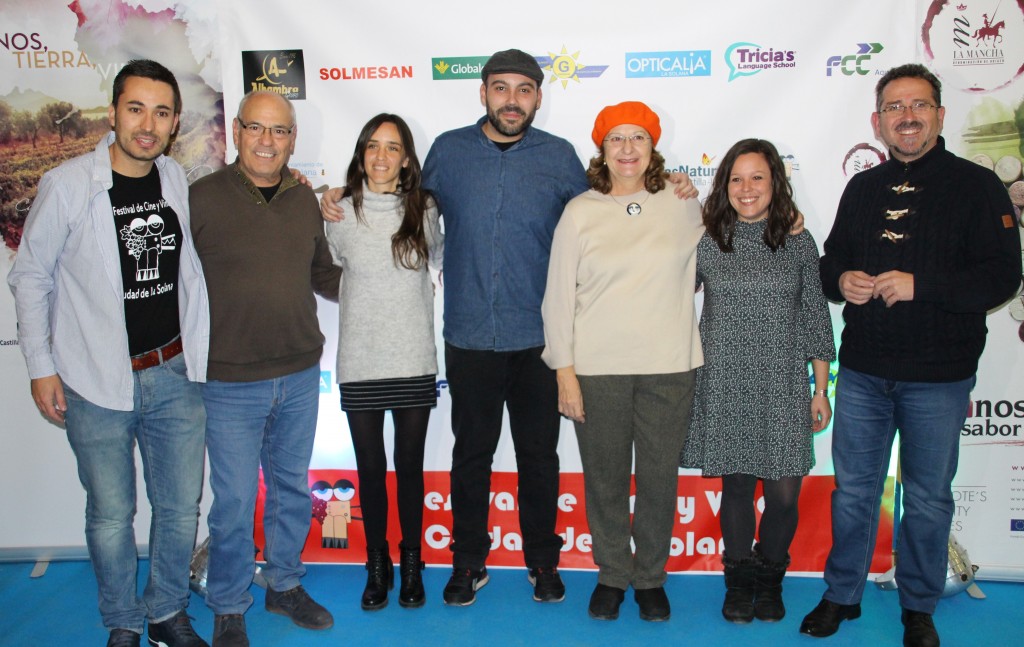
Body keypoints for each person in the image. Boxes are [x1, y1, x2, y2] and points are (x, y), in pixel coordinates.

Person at [321, 49, 696, 607]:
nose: (512, 100)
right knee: (471, 454)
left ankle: (542, 563)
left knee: (538, 455)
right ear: (483, 94)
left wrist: (677, 186)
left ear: (538, 98)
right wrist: (335, 196)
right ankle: (468, 562)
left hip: (539, 337)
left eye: (524, 90)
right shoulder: (448, 152)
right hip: (469, 332)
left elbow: (608, 211)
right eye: (501, 88)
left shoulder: (559, 156)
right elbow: (400, 201)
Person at [799, 63, 1020, 647]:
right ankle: (840, 593)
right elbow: (829, 262)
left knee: (925, 495)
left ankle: (919, 604)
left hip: (938, 376)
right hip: (865, 369)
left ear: (940, 115)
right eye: (895, 107)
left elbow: (1003, 276)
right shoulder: (863, 188)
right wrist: (840, 277)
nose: (907, 117)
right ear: (877, 121)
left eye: (918, 105)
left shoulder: (977, 185)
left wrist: (924, 285)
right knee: (851, 490)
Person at [8, 59, 210, 647]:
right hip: (95, 378)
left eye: (162, 112)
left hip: (174, 373)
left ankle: (167, 612)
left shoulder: (175, 180)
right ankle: (122, 621)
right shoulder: (69, 185)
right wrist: (41, 367)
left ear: (174, 124)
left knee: (178, 510)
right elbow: (31, 278)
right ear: (114, 110)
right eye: (136, 108)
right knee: (110, 513)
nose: (148, 124)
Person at [542, 101, 705, 622]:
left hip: (668, 366)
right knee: (606, 479)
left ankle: (650, 578)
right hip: (597, 369)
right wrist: (564, 371)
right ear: (603, 150)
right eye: (617, 139)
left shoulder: (683, 204)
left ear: (653, 146)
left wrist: (790, 221)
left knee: (659, 479)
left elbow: (742, 228)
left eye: (638, 137)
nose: (628, 148)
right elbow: (557, 298)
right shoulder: (580, 211)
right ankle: (613, 574)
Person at [189, 90, 341, 647]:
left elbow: (326, 276)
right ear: (236, 131)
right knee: (232, 503)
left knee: (290, 491)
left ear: (293, 139)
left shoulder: (304, 201)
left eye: (279, 131)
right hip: (229, 380)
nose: (267, 141)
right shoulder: (200, 199)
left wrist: (384, 284)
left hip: (300, 374)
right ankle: (229, 604)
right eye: (256, 128)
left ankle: (283, 585)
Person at [681, 138, 835, 624]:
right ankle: (738, 581)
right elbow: (670, 292)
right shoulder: (707, 239)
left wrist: (821, 387)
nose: (747, 189)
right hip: (725, 379)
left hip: (782, 382)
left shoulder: (798, 241)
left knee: (784, 494)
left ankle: (771, 580)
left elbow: (815, 314)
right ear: (724, 185)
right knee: (737, 489)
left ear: (775, 183)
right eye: (736, 179)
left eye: (757, 178)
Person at [324, 113, 443, 611]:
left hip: (413, 356)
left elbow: (436, 260)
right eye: (372, 146)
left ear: (407, 158)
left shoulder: (424, 207)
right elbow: (327, 271)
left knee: (409, 467)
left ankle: (411, 562)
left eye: (392, 148)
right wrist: (323, 195)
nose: (381, 156)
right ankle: (377, 565)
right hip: (360, 360)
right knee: (370, 469)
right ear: (361, 153)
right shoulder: (338, 212)